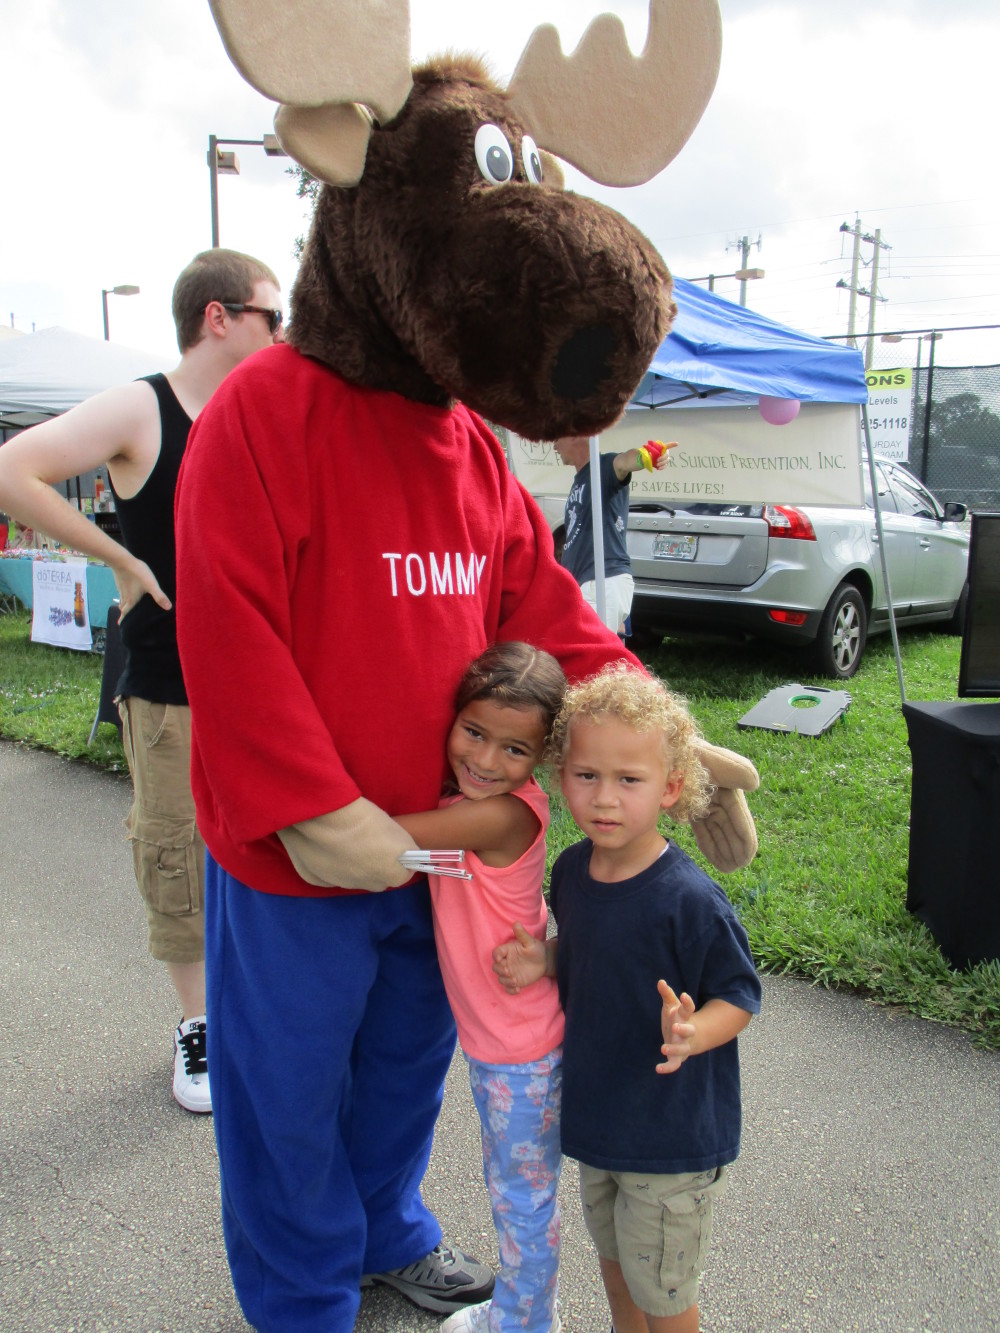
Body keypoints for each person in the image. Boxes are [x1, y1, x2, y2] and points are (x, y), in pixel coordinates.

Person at [0, 248, 284, 1114]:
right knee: (176, 851)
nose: (283, 335)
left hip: (264, 683)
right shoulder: (143, 406)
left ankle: (250, 1015)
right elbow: (13, 470)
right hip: (171, 683)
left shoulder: (260, 411)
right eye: (272, 317)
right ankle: (198, 1025)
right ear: (218, 317)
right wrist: (120, 559)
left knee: (268, 853)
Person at [493, 665, 762, 1333]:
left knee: (663, 1291)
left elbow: (739, 993)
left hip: (670, 1136)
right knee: (617, 1269)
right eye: (587, 775)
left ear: (671, 787)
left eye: (629, 780)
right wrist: (547, 958)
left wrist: (696, 1032)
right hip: (603, 1122)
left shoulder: (689, 900)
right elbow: (590, 949)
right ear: (562, 775)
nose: (604, 798)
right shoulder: (572, 871)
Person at [393, 642, 568, 1333]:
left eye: (514, 749)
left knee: (522, 1203)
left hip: (520, 1052)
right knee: (517, 1194)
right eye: (473, 732)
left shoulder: (501, 814)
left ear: (542, 756)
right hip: (506, 1043)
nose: (488, 760)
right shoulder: (484, 801)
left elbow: (393, 836)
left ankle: (524, 1323)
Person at [553, 435, 674, 636]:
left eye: (556, 438)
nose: (554, 446)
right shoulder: (580, 480)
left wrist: (647, 456)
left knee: (589, 652)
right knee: (582, 650)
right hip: (588, 585)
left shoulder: (603, 466)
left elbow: (625, 461)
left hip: (603, 581)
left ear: (575, 435)